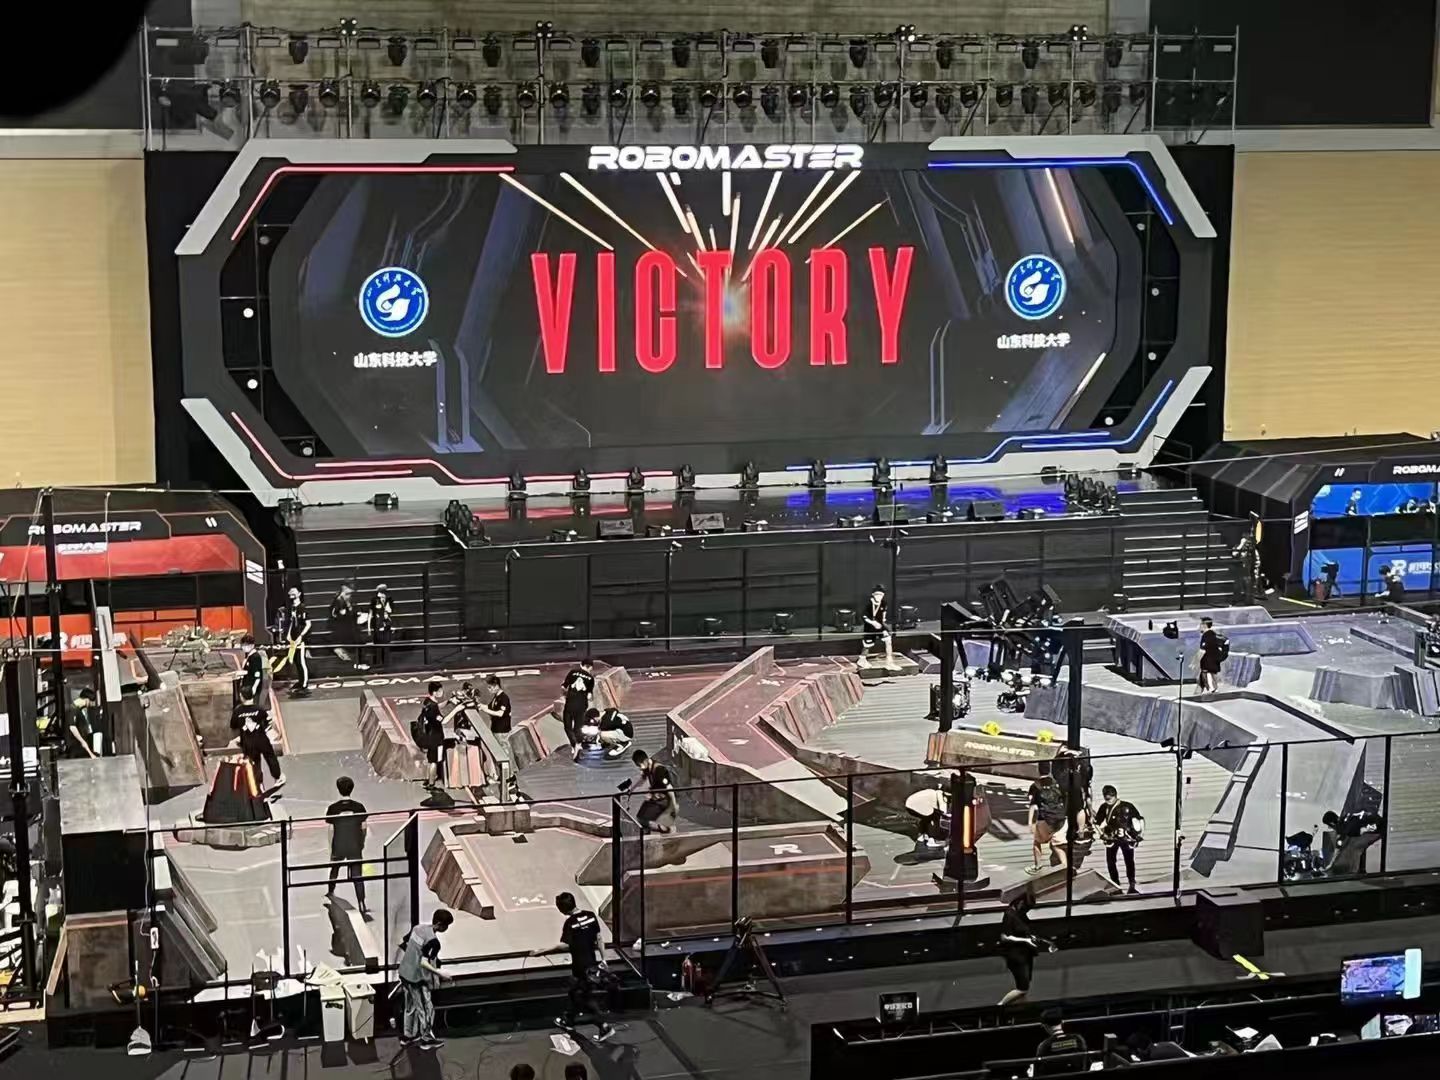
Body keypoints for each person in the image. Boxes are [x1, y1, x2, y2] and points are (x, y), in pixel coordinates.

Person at [529, 892, 614, 1043]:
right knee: (576, 993)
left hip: (580, 966)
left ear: (562, 909)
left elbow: (564, 945)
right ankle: (568, 1020)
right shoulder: (590, 915)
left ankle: (603, 1026)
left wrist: (541, 951)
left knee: (583, 997)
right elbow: (599, 938)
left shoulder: (570, 923)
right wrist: (604, 959)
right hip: (592, 963)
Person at [397, 909, 453, 1049]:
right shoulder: (434, 942)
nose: (447, 928)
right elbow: (423, 962)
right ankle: (426, 1039)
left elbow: (404, 943)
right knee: (426, 1009)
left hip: (404, 973)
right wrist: (440, 973)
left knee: (410, 1006)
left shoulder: (417, 928)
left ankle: (408, 1036)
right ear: (439, 924)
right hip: (417, 979)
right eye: (446, 925)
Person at [998, 891, 1053, 1007]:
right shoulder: (1009, 915)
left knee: (1025, 984)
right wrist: (1025, 940)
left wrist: (1030, 937)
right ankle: (1000, 1005)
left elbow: (1024, 929)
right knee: (1022, 988)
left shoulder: (1020, 914)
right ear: (1020, 903)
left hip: (1025, 953)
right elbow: (1005, 937)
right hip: (1016, 955)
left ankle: (1020, 1007)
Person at [326, 776, 368, 916]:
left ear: (338, 789)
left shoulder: (333, 808)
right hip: (354, 845)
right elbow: (364, 828)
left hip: (339, 845)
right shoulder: (359, 807)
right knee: (357, 875)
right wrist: (361, 843)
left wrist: (331, 847)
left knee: (334, 870)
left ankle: (330, 892)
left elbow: (331, 830)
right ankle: (361, 902)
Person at [1093, 784, 1144, 895]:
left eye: (1110, 798)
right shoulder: (1104, 807)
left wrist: (1139, 835)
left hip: (1126, 837)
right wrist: (1102, 834)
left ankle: (1132, 884)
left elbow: (1139, 820)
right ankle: (1115, 885)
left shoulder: (1127, 806)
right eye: (1106, 798)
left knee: (1129, 861)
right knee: (1111, 862)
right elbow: (1096, 822)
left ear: (1115, 796)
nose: (1108, 801)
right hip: (1111, 837)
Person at [1026, 770, 1068, 876]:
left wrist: (1030, 822)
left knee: (1036, 842)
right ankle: (1065, 866)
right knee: (1057, 846)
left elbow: (1033, 806)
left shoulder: (1037, 791)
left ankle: (1038, 866)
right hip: (1061, 820)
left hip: (1046, 821)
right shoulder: (1058, 787)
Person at [273, 587, 313, 696]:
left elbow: (308, 624)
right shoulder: (291, 608)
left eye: (294, 592)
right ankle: (300, 681)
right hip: (292, 640)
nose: (291, 593)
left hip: (300, 640)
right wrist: (288, 635)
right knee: (296, 661)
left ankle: (304, 685)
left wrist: (301, 636)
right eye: (290, 592)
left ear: (299, 594)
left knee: (301, 662)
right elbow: (291, 622)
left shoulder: (302, 608)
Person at [1321, 808, 1385, 875]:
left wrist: (1331, 865)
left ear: (1331, 823)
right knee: (1353, 842)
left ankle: (1354, 872)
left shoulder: (1342, 829)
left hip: (1378, 830)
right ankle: (1359, 869)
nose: (1329, 828)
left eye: (1329, 826)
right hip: (1378, 822)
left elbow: (1337, 849)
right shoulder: (1345, 817)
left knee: (1354, 846)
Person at [237, 702, 285, 789]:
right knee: (270, 756)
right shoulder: (259, 709)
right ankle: (277, 777)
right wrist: (279, 732)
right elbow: (270, 722)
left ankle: (258, 783)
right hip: (261, 739)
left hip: (249, 742)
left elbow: (236, 727)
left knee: (255, 762)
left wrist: (241, 742)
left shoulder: (238, 711)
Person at [632, 749, 677, 834]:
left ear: (645, 760)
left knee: (643, 820)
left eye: (640, 764)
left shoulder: (659, 769)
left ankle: (667, 829)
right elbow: (642, 779)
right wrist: (631, 790)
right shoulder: (647, 767)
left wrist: (673, 805)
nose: (640, 767)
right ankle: (647, 834)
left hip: (663, 800)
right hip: (654, 798)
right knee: (640, 818)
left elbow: (669, 787)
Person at [328, 584, 369, 670]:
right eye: (347, 594)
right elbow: (337, 616)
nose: (349, 596)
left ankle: (359, 663)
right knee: (358, 643)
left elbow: (350, 612)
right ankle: (358, 663)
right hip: (344, 629)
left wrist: (357, 614)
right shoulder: (338, 603)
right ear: (342, 593)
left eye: (350, 594)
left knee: (359, 643)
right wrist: (348, 613)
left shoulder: (347, 601)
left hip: (351, 627)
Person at [414, 681, 447, 788]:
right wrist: (457, 709)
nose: (442, 692)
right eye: (440, 691)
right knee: (434, 761)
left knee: (430, 759)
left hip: (429, 735)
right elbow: (444, 720)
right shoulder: (433, 708)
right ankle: (431, 783)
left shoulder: (427, 702)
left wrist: (449, 701)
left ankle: (428, 779)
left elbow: (437, 706)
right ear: (435, 692)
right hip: (436, 738)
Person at [561, 659, 597, 747]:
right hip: (581, 706)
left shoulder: (572, 672)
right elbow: (589, 696)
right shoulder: (591, 678)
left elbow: (563, 687)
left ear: (581, 665)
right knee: (578, 728)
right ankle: (579, 744)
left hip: (570, 704)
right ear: (591, 667)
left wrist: (566, 695)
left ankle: (574, 745)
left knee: (568, 727)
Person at [860, 584, 893, 664]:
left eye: (881, 595)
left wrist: (883, 623)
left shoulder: (883, 603)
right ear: (873, 594)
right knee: (868, 644)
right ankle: (862, 659)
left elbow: (884, 613)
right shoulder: (868, 604)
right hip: (870, 627)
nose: (879, 597)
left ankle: (889, 659)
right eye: (877, 594)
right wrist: (872, 622)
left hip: (880, 625)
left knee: (888, 639)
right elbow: (864, 617)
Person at [1196, 617, 1226, 695]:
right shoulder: (1213, 634)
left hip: (1208, 661)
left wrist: (1196, 662)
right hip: (1214, 660)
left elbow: (1202, 651)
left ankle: (1210, 689)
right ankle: (1214, 689)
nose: (1199, 626)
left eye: (1200, 624)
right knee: (1212, 674)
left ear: (1204, 625)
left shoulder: (1206, 635)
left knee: (1206, 674)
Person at [369, 584, 394, 669]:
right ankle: (377, 663)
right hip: (377, 626)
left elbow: (391, 611)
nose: (382, 594)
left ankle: (385, 663)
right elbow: (371, 613)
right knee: (377, 645)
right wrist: (369, 627)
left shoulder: (389, 599)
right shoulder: (374, 600)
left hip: (387, 625)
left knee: (386, 644)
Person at [238, 633, 267, 704]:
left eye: (246, 645)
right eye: (243, 645)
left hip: (252, 687)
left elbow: (257, 675)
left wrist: (254, 689)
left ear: (252, 645)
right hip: (247, 686)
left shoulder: (255, 657)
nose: (244, 647)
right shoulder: (248, 656)